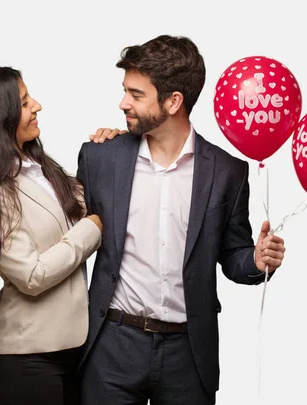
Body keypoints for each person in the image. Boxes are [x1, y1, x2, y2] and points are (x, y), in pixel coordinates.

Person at [76, 35, 287, 405]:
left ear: (173, 101)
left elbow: (234, 253)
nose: (123, 102)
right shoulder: (100, 159)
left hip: (188, 354)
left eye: (137, 95)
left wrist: (255, 260)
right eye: (126, 90)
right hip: (112, 346)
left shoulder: (227, 172)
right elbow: (68, 233)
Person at [0, 66, 121, 405]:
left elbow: (96, 206)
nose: (36, 105)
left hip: (77, 348)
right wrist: (91, 231)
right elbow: (32, 275)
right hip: (30, 362)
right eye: (24, 102)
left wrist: (114, 150)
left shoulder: (38, 169)